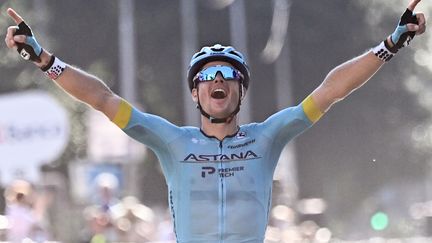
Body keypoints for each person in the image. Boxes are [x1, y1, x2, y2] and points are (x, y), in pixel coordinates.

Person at [4, 1, 426, 242]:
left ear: (241, 91)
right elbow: (102, 98)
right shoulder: (171, 141)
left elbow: (330, 91)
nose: (217, 80)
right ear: (195, 92)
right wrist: (45, 60)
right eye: (207, 76)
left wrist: (390, 44)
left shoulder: (269, 137)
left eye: (228, 75)